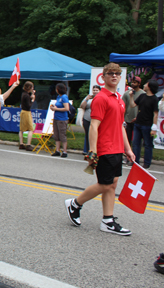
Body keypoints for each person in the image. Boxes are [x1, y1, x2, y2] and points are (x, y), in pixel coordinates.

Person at [65, 62, 135, 236]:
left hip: (117, 147)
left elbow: (120, 126)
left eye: (117, 73)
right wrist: (93, 151)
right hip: (105, 147)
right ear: (103, 77)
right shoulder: (101, 98)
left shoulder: (119, 98)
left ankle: (108, 220)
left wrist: (128, 149)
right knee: (105, 183)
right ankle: (75, 203)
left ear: (120, 77)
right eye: (110, 73)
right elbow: (94, 126)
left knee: (112, 184)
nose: (114, 76)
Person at [129, 79, 159, 169]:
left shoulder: (154, 99)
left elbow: (155, 114)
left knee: (147, 144)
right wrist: (131, 96)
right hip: (138, 123)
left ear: (149, 87)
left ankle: (147, 163)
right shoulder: (142, 96)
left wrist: (154, 127)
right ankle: (135, 161)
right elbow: (132, 105)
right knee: (135, 143)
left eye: (146, 84)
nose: (144, 85)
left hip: (147, 125)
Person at [122, 77, 144, 149]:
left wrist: (138, 117)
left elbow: (144, 108)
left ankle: (135, 154)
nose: (132, 83)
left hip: (138, 119)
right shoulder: (127, 93)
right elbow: (123, 106)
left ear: (139, 84)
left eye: (135, 82)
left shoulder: (143, 94)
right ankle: (126, 154)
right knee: (127, 139)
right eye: (132, 82)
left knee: (136, 140)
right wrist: (123, 118)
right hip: (128, 119)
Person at [80, 85, 101, 154]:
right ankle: (86, 150)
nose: (95, 92)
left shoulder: (101, 98)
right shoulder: (89, 98)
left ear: (99, 91)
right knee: (87, 134)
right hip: (87, 119)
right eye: (94, 90)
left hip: (96, 120)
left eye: (96, 90)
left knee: (94, 135)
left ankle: (94, 150)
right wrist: (86, 99)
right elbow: (82, 106)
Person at [50, 83, 69, 157]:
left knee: (62, 135)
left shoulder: (64, 97)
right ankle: (57, 150)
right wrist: (54, 107)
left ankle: (64, 151)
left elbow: (66, 108)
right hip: (56, 117)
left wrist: (56, 109)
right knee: (56, 134)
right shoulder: (58, 97)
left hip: (62, 119)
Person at [18, 81, 35, 151]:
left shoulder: (24, 94)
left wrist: (31, 96)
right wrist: (33, 99)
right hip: (27, 112)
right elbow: (29, 106)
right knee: (31, 129)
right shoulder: (27, 95)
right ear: (30, 88)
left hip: (23, 112)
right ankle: (28, 144)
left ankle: (21, 143)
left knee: (21, 129)